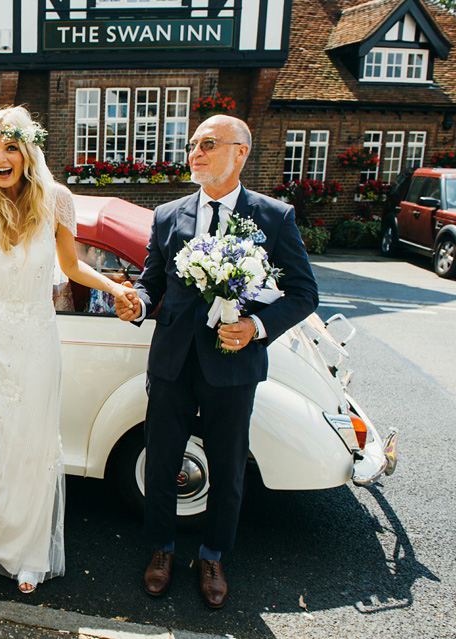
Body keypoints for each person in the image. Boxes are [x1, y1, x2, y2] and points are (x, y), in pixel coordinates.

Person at [115, 115, 318, 609]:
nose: (194, 153)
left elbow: (303, 293)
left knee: (228, 469)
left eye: (207, 144)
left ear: (240, 152)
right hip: (171, 365)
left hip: (232, 366)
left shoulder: (274, 217)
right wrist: (137, 303)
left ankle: (212, 556)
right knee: (161, 462)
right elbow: (152, 283)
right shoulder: (168, 215)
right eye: (191, 145)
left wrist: (256, 327)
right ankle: (161, 550)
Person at [0, 106, 135, 594]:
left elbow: (71, 267)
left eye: (9, 148)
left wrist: (113, 286)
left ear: (27, 152)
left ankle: (30, 549)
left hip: (34, 340)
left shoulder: (57, 201)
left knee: (30, 446)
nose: (0, 158)